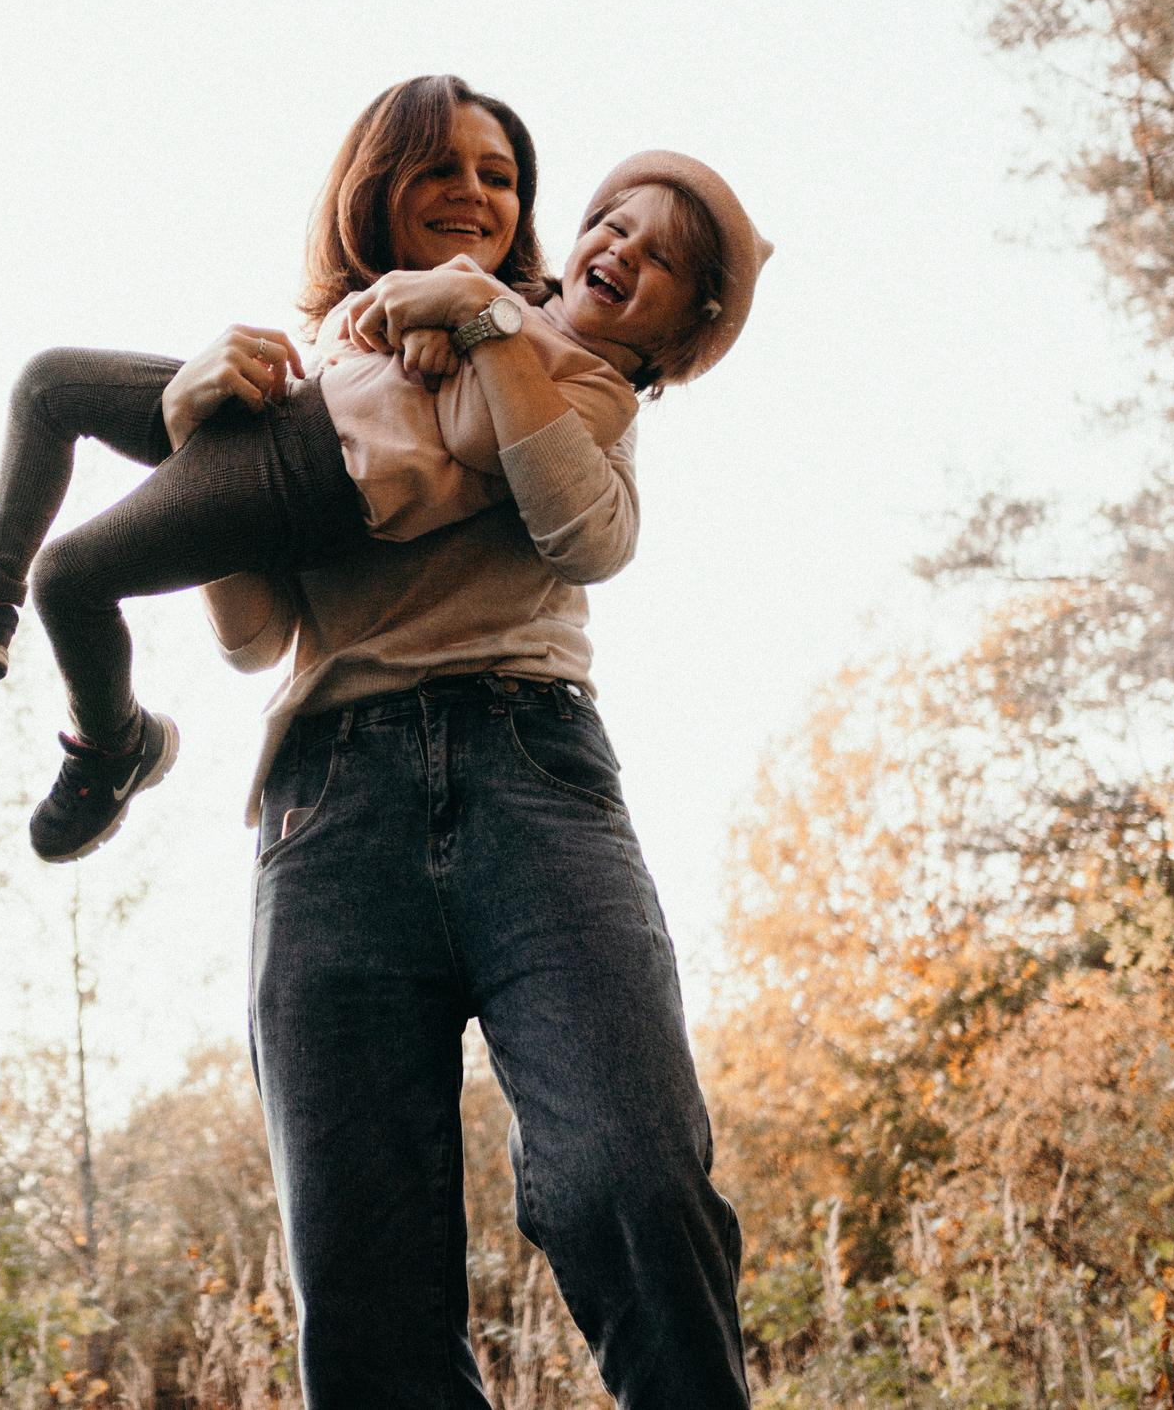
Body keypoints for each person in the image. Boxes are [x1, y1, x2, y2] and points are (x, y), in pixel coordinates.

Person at [190, 135, 772, 1405]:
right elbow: (251, 638)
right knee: (360, 1264)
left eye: (664, 253)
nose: (623, 245)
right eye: (615, 219)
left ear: (685, 325)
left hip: (531, 779)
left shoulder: (567, 382)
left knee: (628, 1175)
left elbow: (578, 528)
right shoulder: (343, 371)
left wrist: (489, 317)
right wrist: (203, 453)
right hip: (330, 804)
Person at [0, 76, 710, 864]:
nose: (474, 193)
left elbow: (559, 505)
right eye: (440, 167)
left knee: (70, 576)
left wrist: (464, 316)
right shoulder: (348, 322)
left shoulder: (561, 349)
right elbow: (256, 639)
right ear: (378, 183)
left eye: (499, 177)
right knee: (49, 384)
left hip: (340, 510)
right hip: (284, 443)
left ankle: (114, 746)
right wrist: (195, 422)